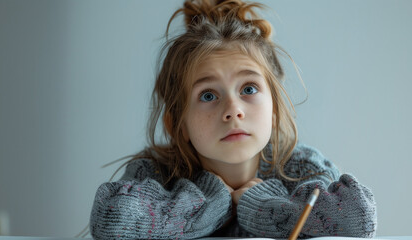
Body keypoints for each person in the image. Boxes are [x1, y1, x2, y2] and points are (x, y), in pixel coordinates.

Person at [89, 0, 377, 239]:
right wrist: (211, 204)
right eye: (208, 95)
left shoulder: (299, 168)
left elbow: (360, 217)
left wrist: (261, 205)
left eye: (248, 89)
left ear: (274, 110)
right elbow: (110, 220)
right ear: (177, 123)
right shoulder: (157, 173)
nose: (233, 110)